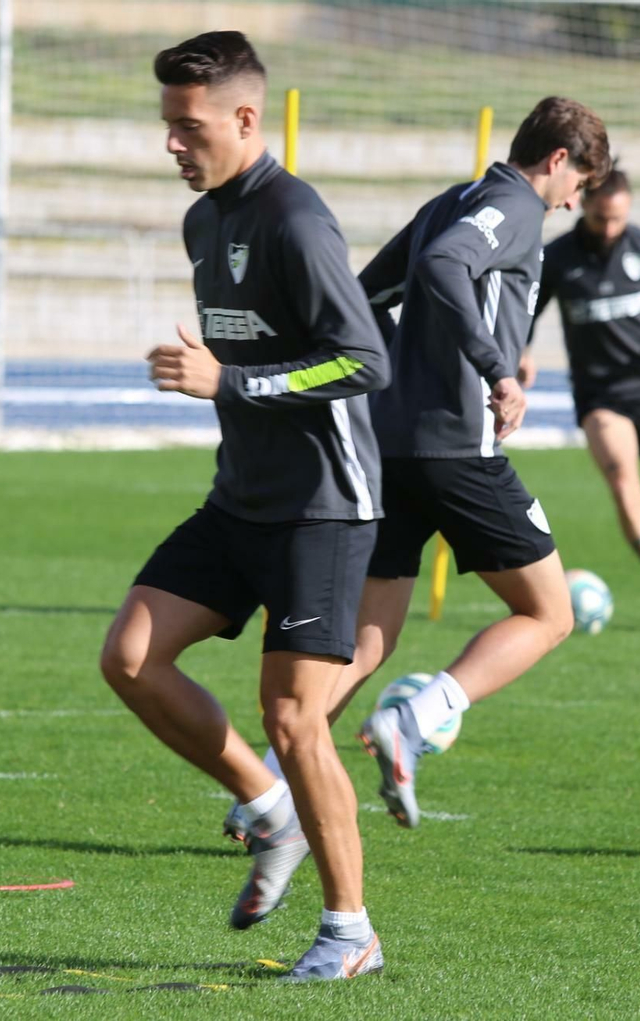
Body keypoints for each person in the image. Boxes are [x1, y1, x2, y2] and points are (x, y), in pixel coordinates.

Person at [222, 96, 608, 837]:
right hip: (458, 448)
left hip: (389, 446)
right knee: (548, 612)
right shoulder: (514, 207)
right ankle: (418, 719)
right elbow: (442, 265)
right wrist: (494, 366)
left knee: (370, 639)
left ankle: (266, 793)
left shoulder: (450, 201)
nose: (572, 205)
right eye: (579, 186)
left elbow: (368, 292)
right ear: (559, 160)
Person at [97, 32, 389, 982]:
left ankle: (351, 933)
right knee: (131, 656)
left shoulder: (297, 221)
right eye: (168, 127)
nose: (173, 144)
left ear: (245, 118)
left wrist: (230, 382)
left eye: (188, 127)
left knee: (298, 717)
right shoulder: (201, 224)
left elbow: (362, 363)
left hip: (322, 510)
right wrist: (229, 383)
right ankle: (270, 811)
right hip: (241, 503)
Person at [528, 164, 640, 635]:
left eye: (618, 219)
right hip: (600, 396)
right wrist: (521, 351)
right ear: (584, 205)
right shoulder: (559, 258)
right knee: (625, 487)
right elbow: (525, 307)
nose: (610, 228)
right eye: (602, 218)